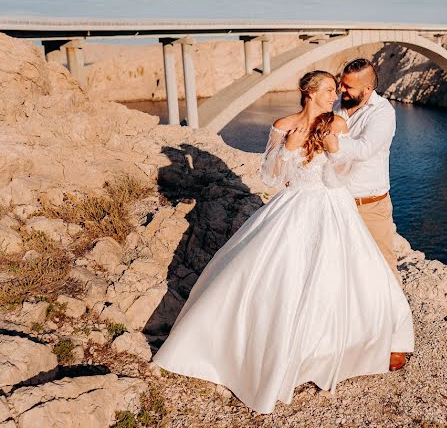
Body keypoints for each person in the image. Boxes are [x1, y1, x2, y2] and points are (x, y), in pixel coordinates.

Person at [152, 70, 415, 414]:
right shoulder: (282, 124)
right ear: (309, 92)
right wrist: (286, 151)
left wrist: (335, 153)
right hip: (292, 206)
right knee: (274, 277)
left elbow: (343, 176)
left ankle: (336, 351)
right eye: (328, 90)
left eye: (336, 90)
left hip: (332, 206)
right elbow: (271, 177)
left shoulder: (336, 124)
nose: (333, 96)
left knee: (345, 278)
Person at [330, 58, 408, 373]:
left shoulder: (383, 113)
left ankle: (395, 342)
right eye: (340, 84)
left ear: (367, 88)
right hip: (336, 203)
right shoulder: (337, 105)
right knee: (342, 272)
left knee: (385, 271)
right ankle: (351, 336)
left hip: (370, 206)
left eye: (348, 86)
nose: (341, 90)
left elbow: (363, 150)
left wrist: (326, 141)